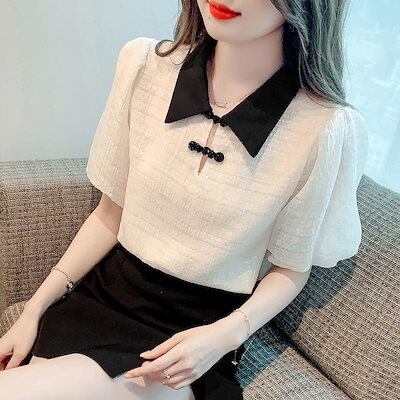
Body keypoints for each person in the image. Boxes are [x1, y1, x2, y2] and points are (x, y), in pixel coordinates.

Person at [0, 0, 369, 399]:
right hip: (99, 300)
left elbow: (291, 268)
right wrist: (34, 309)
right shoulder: (145, 67)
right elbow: (110, 215)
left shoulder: (323, 129)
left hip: (186, 337)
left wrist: (224, 337)